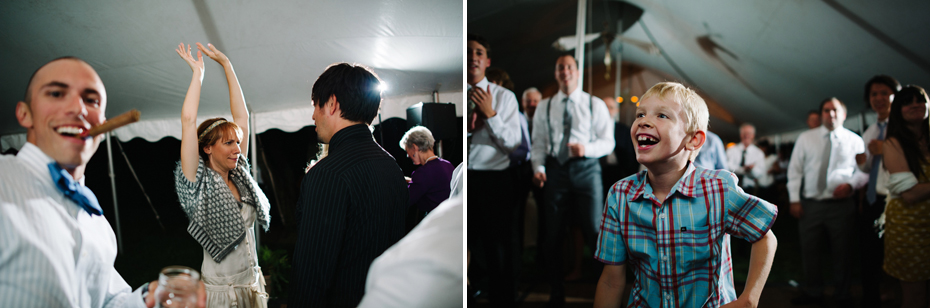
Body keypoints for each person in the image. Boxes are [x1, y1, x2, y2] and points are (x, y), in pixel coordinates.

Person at [0, 56, 206, 308]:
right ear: (24, 113)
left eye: (91, 100)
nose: (78, 109)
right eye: (56, 93)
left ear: (103, 122)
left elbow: (106, 302)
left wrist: (149, 298)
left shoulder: (97, 225)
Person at [593, 82, 777, 308]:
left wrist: (749, 298)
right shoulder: (620, 195)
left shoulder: (718, 188)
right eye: (640, 113)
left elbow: (766, 236)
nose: (644, 120)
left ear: (693, 140)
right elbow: (611, 281)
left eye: (661, 115)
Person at [289, 62, 408, 307]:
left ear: (332, 104)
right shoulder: (391, 166)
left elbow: (312, 275)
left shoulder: (327, 174)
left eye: (316, 106)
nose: (313, 115)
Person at [173, 42, 271, 308]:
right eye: (228, 143)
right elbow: (188, 121)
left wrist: (227, 66)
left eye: (237, 142)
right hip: (222, 294)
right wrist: (198, 75)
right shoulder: (196, 184)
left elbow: (242, 116)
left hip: (251, 283)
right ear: (207, 148)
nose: (238, 149)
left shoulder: (240, 174)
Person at [531, 54, 615, 306]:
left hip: (587, 170)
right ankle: (557, 294)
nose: (565, 71)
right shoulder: (545, 106)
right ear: (556, 73)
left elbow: (607, 141)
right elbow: (538, 145)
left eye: (569, 67)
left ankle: (604, 295)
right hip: (556, 171)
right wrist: (538, 167)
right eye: (560, 67)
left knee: (595, 231)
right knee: (553, 234)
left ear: (577, 72)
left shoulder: (595, 104)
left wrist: (586, 149)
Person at [787, 98, 867, 306]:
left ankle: (843, 294)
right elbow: (794, 170)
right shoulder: (806, 138)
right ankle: (814, 292)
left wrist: (851, 185)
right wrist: (794, 199)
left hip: (841, 206)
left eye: (835, 110)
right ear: (821, 113)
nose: (831, 114)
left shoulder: (855, 140)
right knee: (809, 250)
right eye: (826, 110)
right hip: (810, 204)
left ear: (843, 114)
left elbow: (863, 172)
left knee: (843, 251)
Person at [357, 164, 464, 308]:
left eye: (409, 153)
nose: (408, 157)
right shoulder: (449, 166)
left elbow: (408, 200)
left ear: (415, 149)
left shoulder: (423, 173)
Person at [466, 33, 522, 306]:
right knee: (466, 245)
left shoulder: (504, 98)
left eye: (478, 52)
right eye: (468, 52)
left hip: (495, 181)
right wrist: (466, 131)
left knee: (498, 248)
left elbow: (512, 143)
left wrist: (490, 115)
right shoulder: (457, 96)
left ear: (487, 61)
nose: (473, 57)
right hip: (465, 179)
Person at [881, 85, 930, 308]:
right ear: (898, 110)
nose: (915, 105)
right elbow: (910, 194)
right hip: (909, 227)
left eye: (920, 99)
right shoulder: (893, 143)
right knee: (915, 294)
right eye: (907, 102)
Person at [856, 74, 900, 307]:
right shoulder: (871, 129)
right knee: (869, 256)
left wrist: (886, 149)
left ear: (896, 96)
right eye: (874, 94)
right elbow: (867, 167)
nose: (879, 98)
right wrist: (862, 159)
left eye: (885, 93)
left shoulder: (904, 127)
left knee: (896, 255)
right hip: (873, 200)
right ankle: (872, 299)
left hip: (896, 200)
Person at [399, 125, 454, 213]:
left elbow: (404, 201)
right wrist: (410, 180)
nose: (408, 155)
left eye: (407, 151)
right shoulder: (448, 165)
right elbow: (432, 183)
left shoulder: (422, 173)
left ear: (414, 147)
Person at [726, 123, 766, 192]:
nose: (747, 135)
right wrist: (743, 169)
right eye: (744, 133)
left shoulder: (759, 153)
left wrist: (752, 170)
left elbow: (760, 173)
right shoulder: (731, 150)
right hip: (731, 187)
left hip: (750, 189)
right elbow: (727, 167)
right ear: (740, 135)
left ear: (753, 135)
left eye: (749, 133)